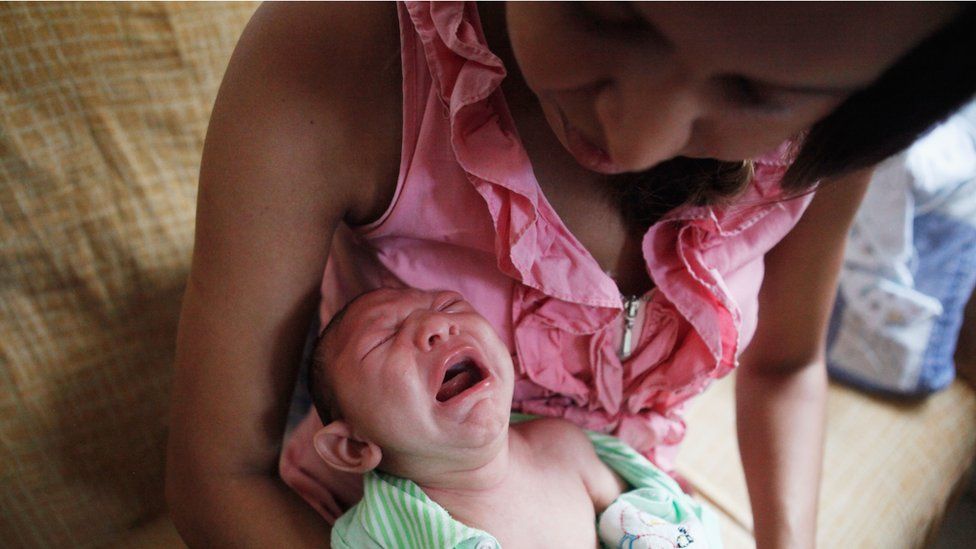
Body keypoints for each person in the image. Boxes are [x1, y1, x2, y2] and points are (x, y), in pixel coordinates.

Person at [164, 2, 976, 547]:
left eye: (759, 93)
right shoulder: (341, 50)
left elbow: (789, 364)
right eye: (607, 16)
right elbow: (216, 476)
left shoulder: (842, 122)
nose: (638, 136)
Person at [309, 287, 720, 548]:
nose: (437, 324)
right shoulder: (380, 537)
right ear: (353, 446)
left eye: (450, 305)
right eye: (382, 340)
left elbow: (652, 519)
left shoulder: (562, 448)